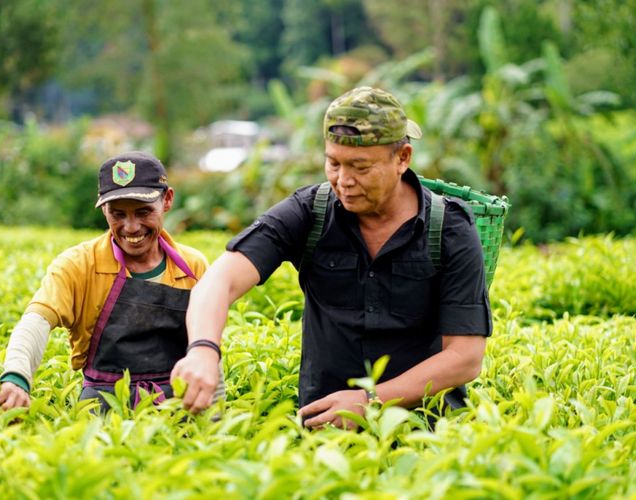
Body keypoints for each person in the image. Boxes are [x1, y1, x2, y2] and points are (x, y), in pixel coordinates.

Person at [170, 87, 491, 428]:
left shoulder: (450, 227)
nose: (344, 180)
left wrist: (371, 401)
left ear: (403, 158)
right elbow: (221, 279)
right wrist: (203, 349)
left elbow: (465, 357)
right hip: (325, 431)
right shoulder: (310, 211)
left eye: (360, 167)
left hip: (427, 431)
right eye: (333, 163)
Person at [0, 151, 223, 412]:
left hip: (179, 404)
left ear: (168, 200)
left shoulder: (193, 266)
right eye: (118, 214)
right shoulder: (78, 264)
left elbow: (209, 351)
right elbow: (36, 320)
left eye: (143, 212)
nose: (131, 227)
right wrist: (16, 376)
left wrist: (215, 421)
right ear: (103, 208)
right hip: (102, 405)